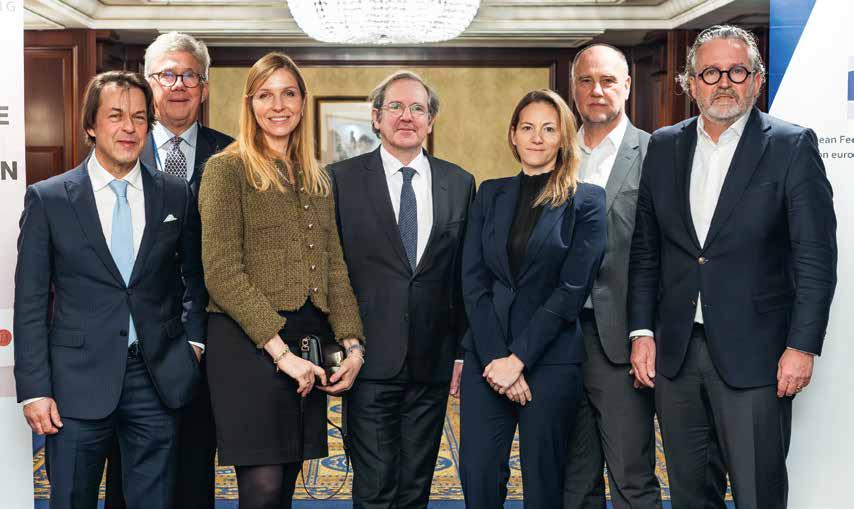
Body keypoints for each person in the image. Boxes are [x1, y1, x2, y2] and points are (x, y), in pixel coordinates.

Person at [628, 25, 837, 509]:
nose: (723, 82)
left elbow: (815, 256)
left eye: (737, 71)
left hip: (758, 357)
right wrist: (641, 331)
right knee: (689, 494)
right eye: (710, 72)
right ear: (691, 83)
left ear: (757, 80)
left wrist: (802, 346)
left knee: (758, 492)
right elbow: (646, 250)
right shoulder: (664, 145)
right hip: (677, 355)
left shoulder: (791, 145)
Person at [13, 70, 206, 509]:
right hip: (74, 383)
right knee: (71, 498)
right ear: (91, 125)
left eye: (139, 117)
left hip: (156, 378)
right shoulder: (49, 199)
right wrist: (35, 389)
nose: (129, 128)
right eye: (116, 116)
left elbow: (194, 277)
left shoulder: (174, 194)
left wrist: (193, 345)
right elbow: (30, 302)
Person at [198, 52, 366, 509]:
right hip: (248, 345)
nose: (278, 105)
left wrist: (353, 347)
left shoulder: (316, 176)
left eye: (288, 93)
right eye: (266, 95)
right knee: (263, 488)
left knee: (287, 480)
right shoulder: (226, 169)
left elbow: (334, 267)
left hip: (307, 341)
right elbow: (221, 272)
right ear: (249, 104)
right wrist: (281, 355)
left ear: (302, 101)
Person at [328, 71, 475, 509]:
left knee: (416, 487)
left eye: (417, 108)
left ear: (431, 120)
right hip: (367, 358)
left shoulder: (460, 182)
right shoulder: (340, 179)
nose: (406, 116)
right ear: (376, 118)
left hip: (433, 361)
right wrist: (342, 344)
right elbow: (332, 271)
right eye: (395, 106)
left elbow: (465, 276)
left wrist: (462, 351)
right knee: (375, 488)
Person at [459, 89, 607, 508]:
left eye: (548, 129)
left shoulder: (587, 200)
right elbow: (473, 281)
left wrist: (518, 359)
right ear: (513, 135)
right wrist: (496, 359)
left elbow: (572, 291)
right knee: (478, 476)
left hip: (550, 358)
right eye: (527, 128)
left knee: (544, 485)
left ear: (563, 138)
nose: (537, 138)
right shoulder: (490, 193)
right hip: (486, 358)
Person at [105, 31, 233, 509]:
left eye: (190, 76)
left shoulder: (234, 156)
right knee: (128, 473)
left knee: (195, 465)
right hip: (132, 345)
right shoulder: (118, 149)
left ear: (204, 87)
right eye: (167, 75)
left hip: (208, 340)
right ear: (148, 83)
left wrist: (196, 340)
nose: (178, 85)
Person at [562, 44, 661, 509]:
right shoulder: (555, 151)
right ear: (574, 88)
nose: (596, 90)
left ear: (627, 85)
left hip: (622, 338)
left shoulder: (657, 152)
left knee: (631, 475)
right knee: (573, 478)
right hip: (559, 340)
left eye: (607, 81)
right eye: (586, 81)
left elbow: (664, 250)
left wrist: (648, 331)